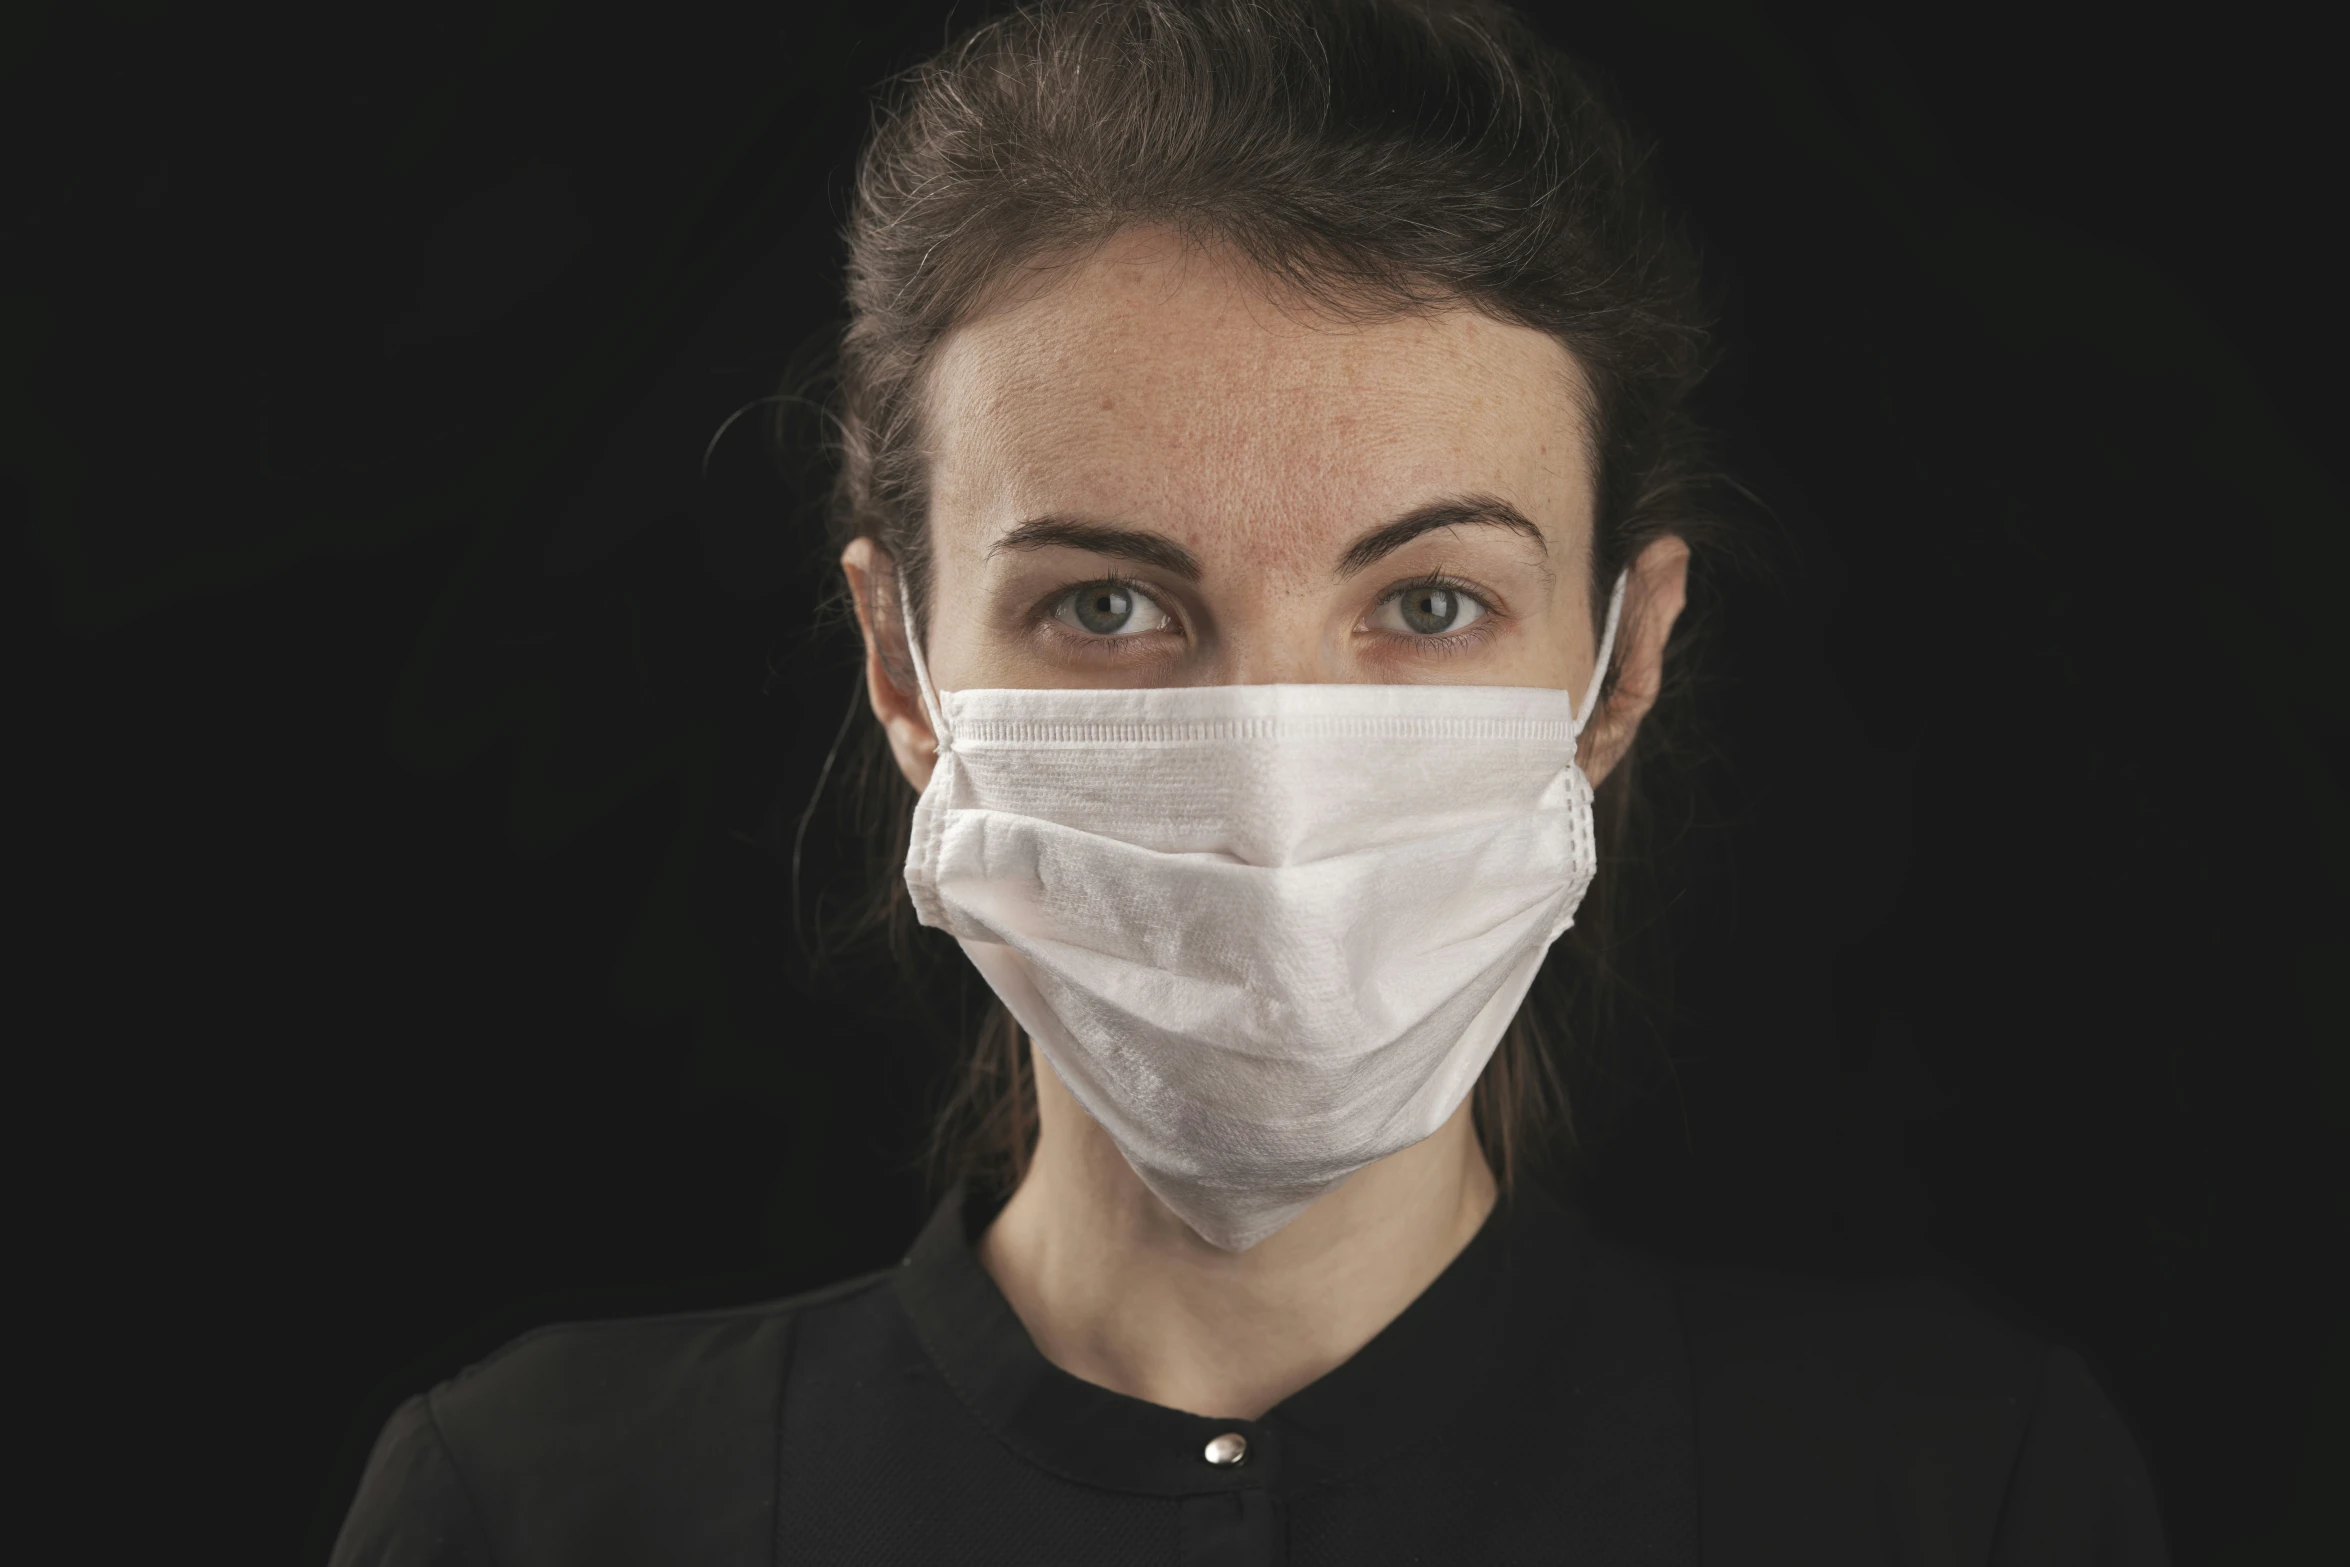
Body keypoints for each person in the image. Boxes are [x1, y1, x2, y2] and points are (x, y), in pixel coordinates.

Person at [328, 1, 2170, 1561]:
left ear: (1622, 663)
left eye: (1428, 602)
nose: (1272, 778)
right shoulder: (542, 1503)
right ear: (902, 662)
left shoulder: (1952, 1491)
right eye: (1109, 603)